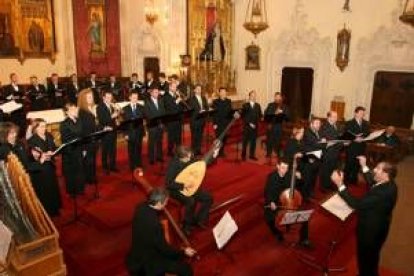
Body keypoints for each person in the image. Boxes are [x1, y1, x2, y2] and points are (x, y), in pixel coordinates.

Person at [331, 156, 398, 276]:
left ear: (385, 174)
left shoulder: (383, 193)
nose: (374, 170)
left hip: (370, 232)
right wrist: (363, 166)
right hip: (379, 227)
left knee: (365, 257)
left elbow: (357, 204)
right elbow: (372, 182)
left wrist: (340, 184)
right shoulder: (388, 184)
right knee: (371, 257)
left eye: (378, 168)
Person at [126, 188, 195, 276]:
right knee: (186, 270)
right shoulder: (155, 225)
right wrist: (183, 252)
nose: (166, 204)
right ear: (158, 203)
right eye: (166, 202)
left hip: (136, 254)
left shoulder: (140, 207)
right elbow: (165, 249)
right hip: (149, 262)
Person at [165, 145, 215, 235]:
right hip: (175, 190)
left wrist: (213, 155)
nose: (190, 157)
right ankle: (186, 226)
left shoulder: (190, 158)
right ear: (181, 157)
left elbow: (202, 162)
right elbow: (168, 184)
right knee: (191, 201)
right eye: (188, 156)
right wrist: (183, 185)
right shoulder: (173, 165)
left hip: (190, 186)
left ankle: (200, 219)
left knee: (208, 198)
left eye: (190, 155)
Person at [264, 158, 311, 247]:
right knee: (269, 220)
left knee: (304, 218)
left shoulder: (289, 175)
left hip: (289, 203)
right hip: (276, 204)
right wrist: (271, 202)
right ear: (277, 166)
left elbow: (300, 184)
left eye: (286, 168)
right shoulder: (271, 177)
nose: (285, 170)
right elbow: (267, 192)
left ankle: (304, 239)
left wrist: (300, 178)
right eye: (282, 168)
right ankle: (279, 234)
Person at [28, 118, 62, 217]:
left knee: (53, 187)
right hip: (40, 170)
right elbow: (32, 157)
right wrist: (41, 156)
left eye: (45, 126)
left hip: (50, 166)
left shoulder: (49, 135)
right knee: (44, 190)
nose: (44, 128)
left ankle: (54, 208)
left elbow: (54, 148)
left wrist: (54, 152)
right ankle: (47, 212)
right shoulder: (31, 141)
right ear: (36, 128)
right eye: (42, 126)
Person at [60, 102, 86, 196]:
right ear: (67, 112)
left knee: (80, 169)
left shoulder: (79, 120)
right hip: (69, 152)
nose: (75, 110)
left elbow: (82, 135)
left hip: (79, 149)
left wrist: (83, 149)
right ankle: (72, 190)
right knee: (71, 172)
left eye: (75, 108)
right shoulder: (64, 124)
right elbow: (67, 140)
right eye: (73, 109)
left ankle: (80, 188)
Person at [344, 106, 370, 185]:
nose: (362, 115)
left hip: (361, 147)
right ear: (355, 113)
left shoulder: (366, 123)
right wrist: (355, 138)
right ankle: (346, 180)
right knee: (349, 164)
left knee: (357, 165)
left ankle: (354, 179)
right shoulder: (349, 123)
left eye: (363, 113)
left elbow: (367, 133)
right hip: (352, 147)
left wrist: (363, 137)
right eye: (361, 113)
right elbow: (346, 135)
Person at [78, 89, 99, 184]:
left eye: (92, 96)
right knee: (88, 161)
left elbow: (95, 125)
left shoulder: (91, 108)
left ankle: (92, 176)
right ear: (83, 99)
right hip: (87, 141)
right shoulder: (82, 112)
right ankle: (89, 178)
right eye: (89, 97)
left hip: (93, 140)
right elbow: (83, 129)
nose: (91, 98)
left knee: (93, 159)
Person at [302, 118, 326, 200]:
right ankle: (305, 196)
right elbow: (316, 144)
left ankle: (310, 193)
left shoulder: (319, 132)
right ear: (311, 124)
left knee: (314, 177)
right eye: (316, 123)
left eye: (319, 123)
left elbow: (322, 144)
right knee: (307, 178)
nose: (318, 125)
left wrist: (322, 142)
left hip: (317, 158)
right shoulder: (307, 132)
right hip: (309, 158)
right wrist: (322, 142)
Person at [319, 111, 343, 192]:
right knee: (325, 170)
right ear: (329, 117)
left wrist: (344, 141)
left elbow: (341, 136)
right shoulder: (324, 126)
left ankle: (329, 184)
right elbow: (329, 138)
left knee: (332, 169)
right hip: (328, 152)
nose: (336, 118)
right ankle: (323, 187)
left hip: (336, 152)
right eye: (334, 117)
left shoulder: (338, 125)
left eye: (336, 117)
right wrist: (339, 139)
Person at [97, 91, 119, 175]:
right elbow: (102, 120)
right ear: (103, 98)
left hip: (113, 130)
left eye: (111, 97)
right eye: (108, 97)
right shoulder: (99, 107)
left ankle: (113, 165)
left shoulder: (112, 106)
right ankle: (105, 166)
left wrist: (116, 120)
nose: (110, 99)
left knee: (113, 149)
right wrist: (112, 116)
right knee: (105, 150)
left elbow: (115, 117)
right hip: (105, 132)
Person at [122, 91, 145, 171]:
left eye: (137, 97)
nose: (135, 99)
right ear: (130, 97)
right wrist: (125, 134)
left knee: (138, 149)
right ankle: (132, 165)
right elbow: (123, 123)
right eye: (134, 97)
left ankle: (138, 164)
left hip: (139, 132)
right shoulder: (125, 109)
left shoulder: (141, 107)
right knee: (131, 150)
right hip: (130, 132)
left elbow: (144, 118)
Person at [143, 87, 166, 164]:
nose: (157, 93)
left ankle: (159, 156)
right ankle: (151, 158)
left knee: (159, 141)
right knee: (151, 142)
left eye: (158, 92)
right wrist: (157, 122)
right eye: (155, 92)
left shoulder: (160, 100)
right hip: (152, 125)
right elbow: (147, 114)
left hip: (160, 125)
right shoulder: (147, 102)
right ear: (151, 93)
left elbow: (163, 112)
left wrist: (162, 123)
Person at [264, 92, 289, 157]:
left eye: (279, 97)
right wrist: (274, 113)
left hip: (279, 127)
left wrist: (282, 113)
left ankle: (277, 153)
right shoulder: (270, 105)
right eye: (276, 97)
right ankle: (268, 153)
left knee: (278, 142)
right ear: (274, 97)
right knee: (269, 141)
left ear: (281, 98)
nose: (277, 98)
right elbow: (266, 115)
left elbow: (287, 118)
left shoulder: (284, 106)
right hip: (271, 127)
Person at [164, 82, 185, 156]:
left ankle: (178, 151)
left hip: (178, 119)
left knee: (178, 136)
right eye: (173, 87)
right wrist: (177, 101)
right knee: (171, 137)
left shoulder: (176, 96)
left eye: (176, 87)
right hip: (171, 120)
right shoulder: (166, 96)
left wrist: (179, 100)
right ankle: (170, 151)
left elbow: (180, 107)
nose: (175, 88)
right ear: (170, 87)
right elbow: (169, 108)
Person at [241, 90, 262, 161]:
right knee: (245, 142)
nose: (254, 97)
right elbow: (243, 116)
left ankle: (252, 155)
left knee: (253, 142)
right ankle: (243, 155)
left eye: (255, 95)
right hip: (247, 126)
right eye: (252, 95)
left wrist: (262, 117)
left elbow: (259, 115)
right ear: (249, 96)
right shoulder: (245, 105)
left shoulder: (258, 105)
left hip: (255, 127)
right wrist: (250, 123)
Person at [212, 87, 232, 157]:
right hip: (218, 123)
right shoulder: (215, 102)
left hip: (226, 123)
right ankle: (216, 152)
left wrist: (230, 121)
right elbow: (213, 114)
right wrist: (214, 123)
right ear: (219, 93)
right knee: (218, 139)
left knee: (225, 138)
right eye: (222, 92)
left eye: (225, 92)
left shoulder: (229, 101)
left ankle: (222, 151)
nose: (224, 93)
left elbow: (230, 112)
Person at [189, 84, 208, 156]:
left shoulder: (203, 98)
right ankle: (193, 152)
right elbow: (192, 110)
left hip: (202, 120)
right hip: (194, 120)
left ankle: (198, 150)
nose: (199, 90)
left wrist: (205, 110)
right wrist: (199, 111)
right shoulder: (191, 99)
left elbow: (206, 107)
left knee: (200, 136)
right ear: (194, 90)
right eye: (197, 89)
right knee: (194, 137)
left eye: (200, 89)